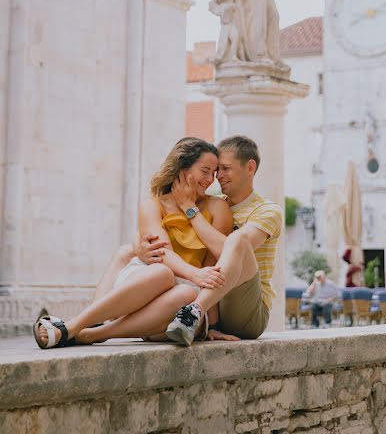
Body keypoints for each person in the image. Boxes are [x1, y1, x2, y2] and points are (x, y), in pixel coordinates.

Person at [33, 138, 235, 348]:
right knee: (162, 272)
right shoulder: (152, 205)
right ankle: (76, 325)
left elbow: (214, 265)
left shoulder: (217, 207)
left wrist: (213, 324)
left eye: (213, 173)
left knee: (188, 294)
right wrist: (195, 273)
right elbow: (162, 254)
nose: (210, 179)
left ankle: (89, 333)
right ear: (182, 168)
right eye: (205, 171)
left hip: (176, 306)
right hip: (145, 284)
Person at [137, 135, 283, 346]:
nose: (217, 177)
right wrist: (140, 248)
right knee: (125, 253)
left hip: (246, 311)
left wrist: (190, 210)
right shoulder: (211, 205)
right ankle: (94, 327)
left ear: (250, 167)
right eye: (214, 171)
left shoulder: (267, 211)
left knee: (238, 239)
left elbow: (226, 253)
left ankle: (194, 311)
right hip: (210, 303)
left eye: (225, 169)